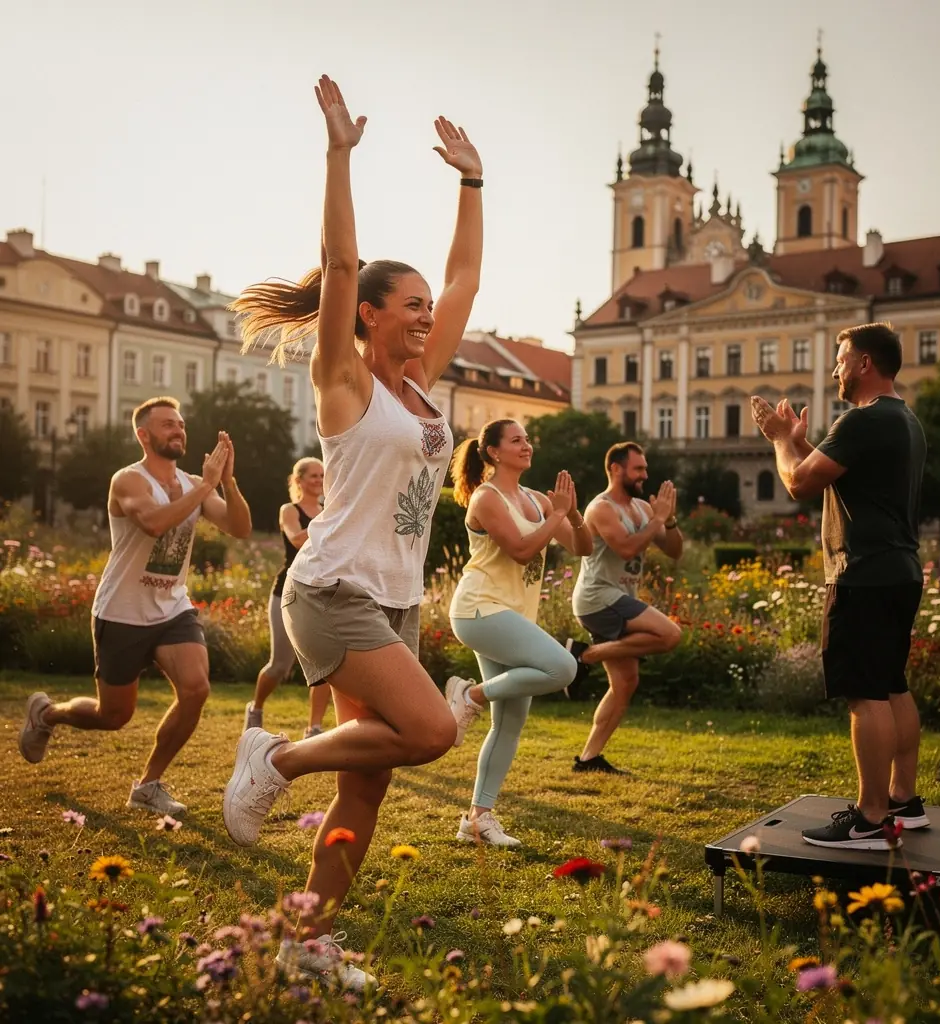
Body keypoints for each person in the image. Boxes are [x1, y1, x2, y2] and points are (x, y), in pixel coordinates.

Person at [221, 75, 482, 992]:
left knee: (367, 786)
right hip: (331, 593)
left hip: (397, 602)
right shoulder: (347, 382)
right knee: (429, 730)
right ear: (371, 316)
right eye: (405, 304)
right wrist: (338, 155)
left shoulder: (422, 386)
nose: (423, 313)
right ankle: (276, 755)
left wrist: (472, 186)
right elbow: (337, 267)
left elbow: (461, 279)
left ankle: (306, 940)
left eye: (423, 308)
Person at [18, 397, 252, 816]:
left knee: (196, 689)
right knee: (114, 716)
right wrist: (205, 486)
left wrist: (228, 484)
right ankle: (47, 715)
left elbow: (240, 528)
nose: (177, 430)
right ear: (143, 435)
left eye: (180, 424)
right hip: (121, 612)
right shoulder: (129, 480)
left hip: (171, 609)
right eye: (166, 425)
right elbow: (154, 522)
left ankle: (147, 785)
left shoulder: (194, 481)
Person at [751, 321, 927, 851]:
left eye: (841, 358)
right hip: (899, 569)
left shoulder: (862, 420)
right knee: (892, 684)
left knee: (865, 692)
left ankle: (871, 819)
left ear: (865, 363)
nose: (835, 368)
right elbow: (837, 473)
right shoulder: (905, 419)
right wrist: (803, 442)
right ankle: (903, 801)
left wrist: (782, 441)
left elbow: (799, 482)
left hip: (864, 572)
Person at [446, 419, 593, 847]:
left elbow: (582, 547)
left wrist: (573, 512)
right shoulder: (486, 498)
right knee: (563, 667)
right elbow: (523, 548)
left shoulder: (534, 498)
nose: (527, 445)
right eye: (516, 440)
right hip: (480, 610)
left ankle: (477, 819)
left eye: (527, 439)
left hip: (512, 616)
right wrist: (558, 514)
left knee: (510, 721)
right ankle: (469, 695)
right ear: (492, 452)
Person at [564, 442, 683, 775]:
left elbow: (674, 551)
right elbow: (628, 549)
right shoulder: (601, 509)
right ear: (616, 469)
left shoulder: (644, 509)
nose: (645, 475)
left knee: (625, 683)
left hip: (616, 597)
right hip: (597, 597)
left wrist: (668, 521)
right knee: (670, 634)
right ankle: (585, 656)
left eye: (645, 468)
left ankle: (588, 759)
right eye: (638, 469)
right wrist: (656, 518)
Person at [242, 457, 332, 739]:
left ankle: (314, 728)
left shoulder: (329, 510)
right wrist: (331, 518)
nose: (318, 480)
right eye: (313, 476)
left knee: (325, 663)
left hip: (321, 592)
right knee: (280, 665)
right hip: (288, 591)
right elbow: (296, 539)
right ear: (299, 481)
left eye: (321, 475)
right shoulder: (289, 510)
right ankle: (255, 709)